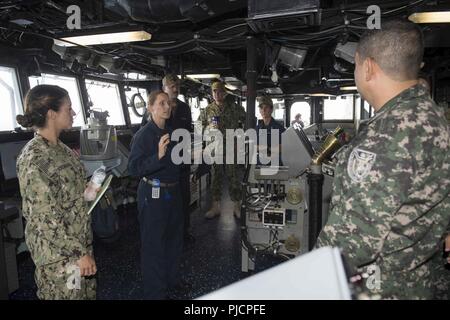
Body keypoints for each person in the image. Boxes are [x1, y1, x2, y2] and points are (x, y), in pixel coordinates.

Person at [315, 20, 450, 299]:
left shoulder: (386, 137)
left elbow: (352, 241)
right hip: (421, 282)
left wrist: (307, 279)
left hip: (380, 288)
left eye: (355, 66)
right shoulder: (434, 118)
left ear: (368, 67)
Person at [16, 84, 97, 300]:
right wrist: (79, 254)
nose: (73, 113)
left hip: (78, 246)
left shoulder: (62, 149)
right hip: (60, 258)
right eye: (68, 108)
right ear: (52, 114)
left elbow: (66, 195)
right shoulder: (35, 159)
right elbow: (44, 219)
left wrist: (87, 192)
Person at [128, 90, 183, 299]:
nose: (167, 107)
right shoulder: (143, 135)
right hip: (153, 193)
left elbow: (174, 163)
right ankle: (155, 293)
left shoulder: (170, 132)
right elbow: (133, 168)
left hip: (172, 193)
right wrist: (157, 156)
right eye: (161, 103)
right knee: (154, 245)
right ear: (150, 108)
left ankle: (172, 281)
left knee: (173, 240)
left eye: (168, 103)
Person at [199, 81, 246, 219]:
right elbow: (198, 127)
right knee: (216, 178)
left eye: (219, 91)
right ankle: (215, 206)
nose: (217, 94)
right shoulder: (207, 110)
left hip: (231, 147)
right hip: (215, 149)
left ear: (224, 93)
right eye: (214, 91)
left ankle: (237, 206)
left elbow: (248, 121)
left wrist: (239, 139)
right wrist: (208, 130)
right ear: (211, 93)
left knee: (233, 177)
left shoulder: (234, 108)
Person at [162, 74, 194, 243]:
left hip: (182, 162)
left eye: (177, 86)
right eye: (171, 86)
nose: (175, 89)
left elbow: (188, 132)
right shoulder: (158, 108)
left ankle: (184, 232)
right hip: (165, 164)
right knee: (167, 200)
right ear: (164, 88)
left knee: (184, 198)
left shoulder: (184, 108)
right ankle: (169, 234)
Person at [255, 96, 285, 165]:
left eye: (266, 107)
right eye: (261, 108)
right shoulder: (257, 128)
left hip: (275, 164)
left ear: (271, 110)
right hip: (259, 164)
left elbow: (282, 148)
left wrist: (266, 148)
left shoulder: (279, 128)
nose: (263, 110)